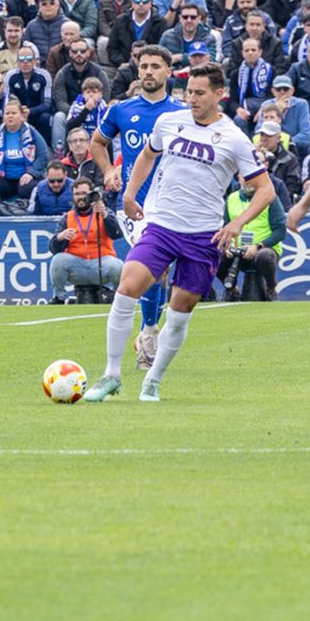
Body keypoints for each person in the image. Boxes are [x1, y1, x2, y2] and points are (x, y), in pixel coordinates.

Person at [83, 64, 272, 404]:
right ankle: (112, 374)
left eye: (200, 93)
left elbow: (265, 190)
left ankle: (152, 381)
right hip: (161, 226)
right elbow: (146, 155)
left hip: (203, 237)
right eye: (189, 92)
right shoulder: (170, 121)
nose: (192, 99)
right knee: (127, 287)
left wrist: (238, 221)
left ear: (220, 94)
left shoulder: (235, 139)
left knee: (180, 312)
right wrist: (129, 192)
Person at [86, 44, 182, 370]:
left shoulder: (182, 113)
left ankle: (147, 329)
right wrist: (109, 171)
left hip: (171, 203)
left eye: (156, 66)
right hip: (134, 204)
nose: (149, 72)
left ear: (168, 71)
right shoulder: (122, 110)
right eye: (144, 67)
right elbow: (97, 142)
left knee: (161, 272)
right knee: (153, 267)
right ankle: (149, 332)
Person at [47, 178, 121, 305]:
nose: (80, 197)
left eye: (83, 193)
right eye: (77, 194)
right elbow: (54, 249)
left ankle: (119, 297)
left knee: (118, 266)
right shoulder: (67, 217)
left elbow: (116, 234)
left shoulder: (103, 212)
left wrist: (105, 215)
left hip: (101, 262)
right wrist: (60, 237)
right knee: (58, 260)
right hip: (77, 264)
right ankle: (59, 297)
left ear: (91, 194)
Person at [216, 173, 288, 301]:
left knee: (264, 256)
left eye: (252, 178)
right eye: (245, 177)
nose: (248, 181)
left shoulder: (271, 198)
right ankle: (232, 290)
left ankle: (271, 288)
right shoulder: (231, 198)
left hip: (263, 249)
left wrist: (258, 246)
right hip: (236, 249)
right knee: (213, 254)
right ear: (239, 178)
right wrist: (227, 246)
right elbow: (225, 226)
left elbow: (280, 231)